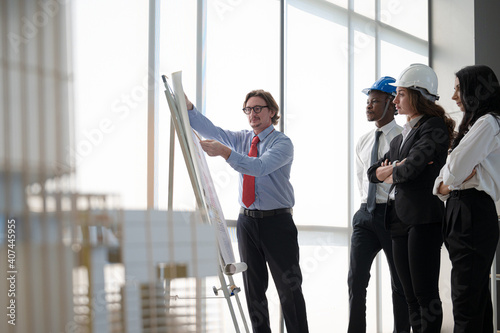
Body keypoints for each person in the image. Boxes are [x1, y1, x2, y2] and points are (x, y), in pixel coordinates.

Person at [185, 90, 308, 333]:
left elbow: (259, 167)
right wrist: (188, 107)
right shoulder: (243, 139)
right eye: (248, 109)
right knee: (254, 290)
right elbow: (213, 130)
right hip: (247, 222)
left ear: (272, 112)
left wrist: (225, 153)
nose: (252, 114)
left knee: (289, 290)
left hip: (277, 223)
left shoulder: (282, 143)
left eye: (258, 108)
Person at [367, 63, 455, 333]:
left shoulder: (435, 127)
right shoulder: (400, 137)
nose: (395, 100)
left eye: (401, 94)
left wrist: (393, 170)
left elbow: (412, 168)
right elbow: (373, 174)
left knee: (425, 294)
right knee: (408, 296)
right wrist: (396, 168)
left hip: (424, 219)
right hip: (398, 220)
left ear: (418, 95)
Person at [433, 65, 500, 332]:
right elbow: (444, 180)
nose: (454, 96)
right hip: (465, 209)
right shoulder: (479, 124)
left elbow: (454, 169)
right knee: (476, 298)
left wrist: (448, 179)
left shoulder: (487, 123)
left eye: (459, 88)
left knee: (465, 301)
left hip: (471, 211)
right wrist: (447, 185)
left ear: (476, 90)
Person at [347, 76, 409, 333]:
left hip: (392, 214)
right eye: (367, 101)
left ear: (392, 103)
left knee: (400, 282)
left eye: (375, 101)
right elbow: (362, 179)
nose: (368, 106)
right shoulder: (363, 141)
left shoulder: (405, 137)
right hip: (365, 214)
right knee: (356, 280)